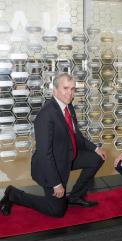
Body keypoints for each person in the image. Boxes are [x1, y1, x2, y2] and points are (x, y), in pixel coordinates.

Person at [0, 73, 106, 217]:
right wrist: (56, 183)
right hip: (51, 166)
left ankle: (75, 196)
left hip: (67, 156)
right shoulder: (46, 115)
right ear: (54, 90)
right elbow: (45, 154)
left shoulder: (68, 107)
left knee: (97, 158)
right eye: (66, 88)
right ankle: (13, 194)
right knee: (57, 211)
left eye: (73, 89)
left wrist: (95, 148)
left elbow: (76, 135)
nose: (70, 93)